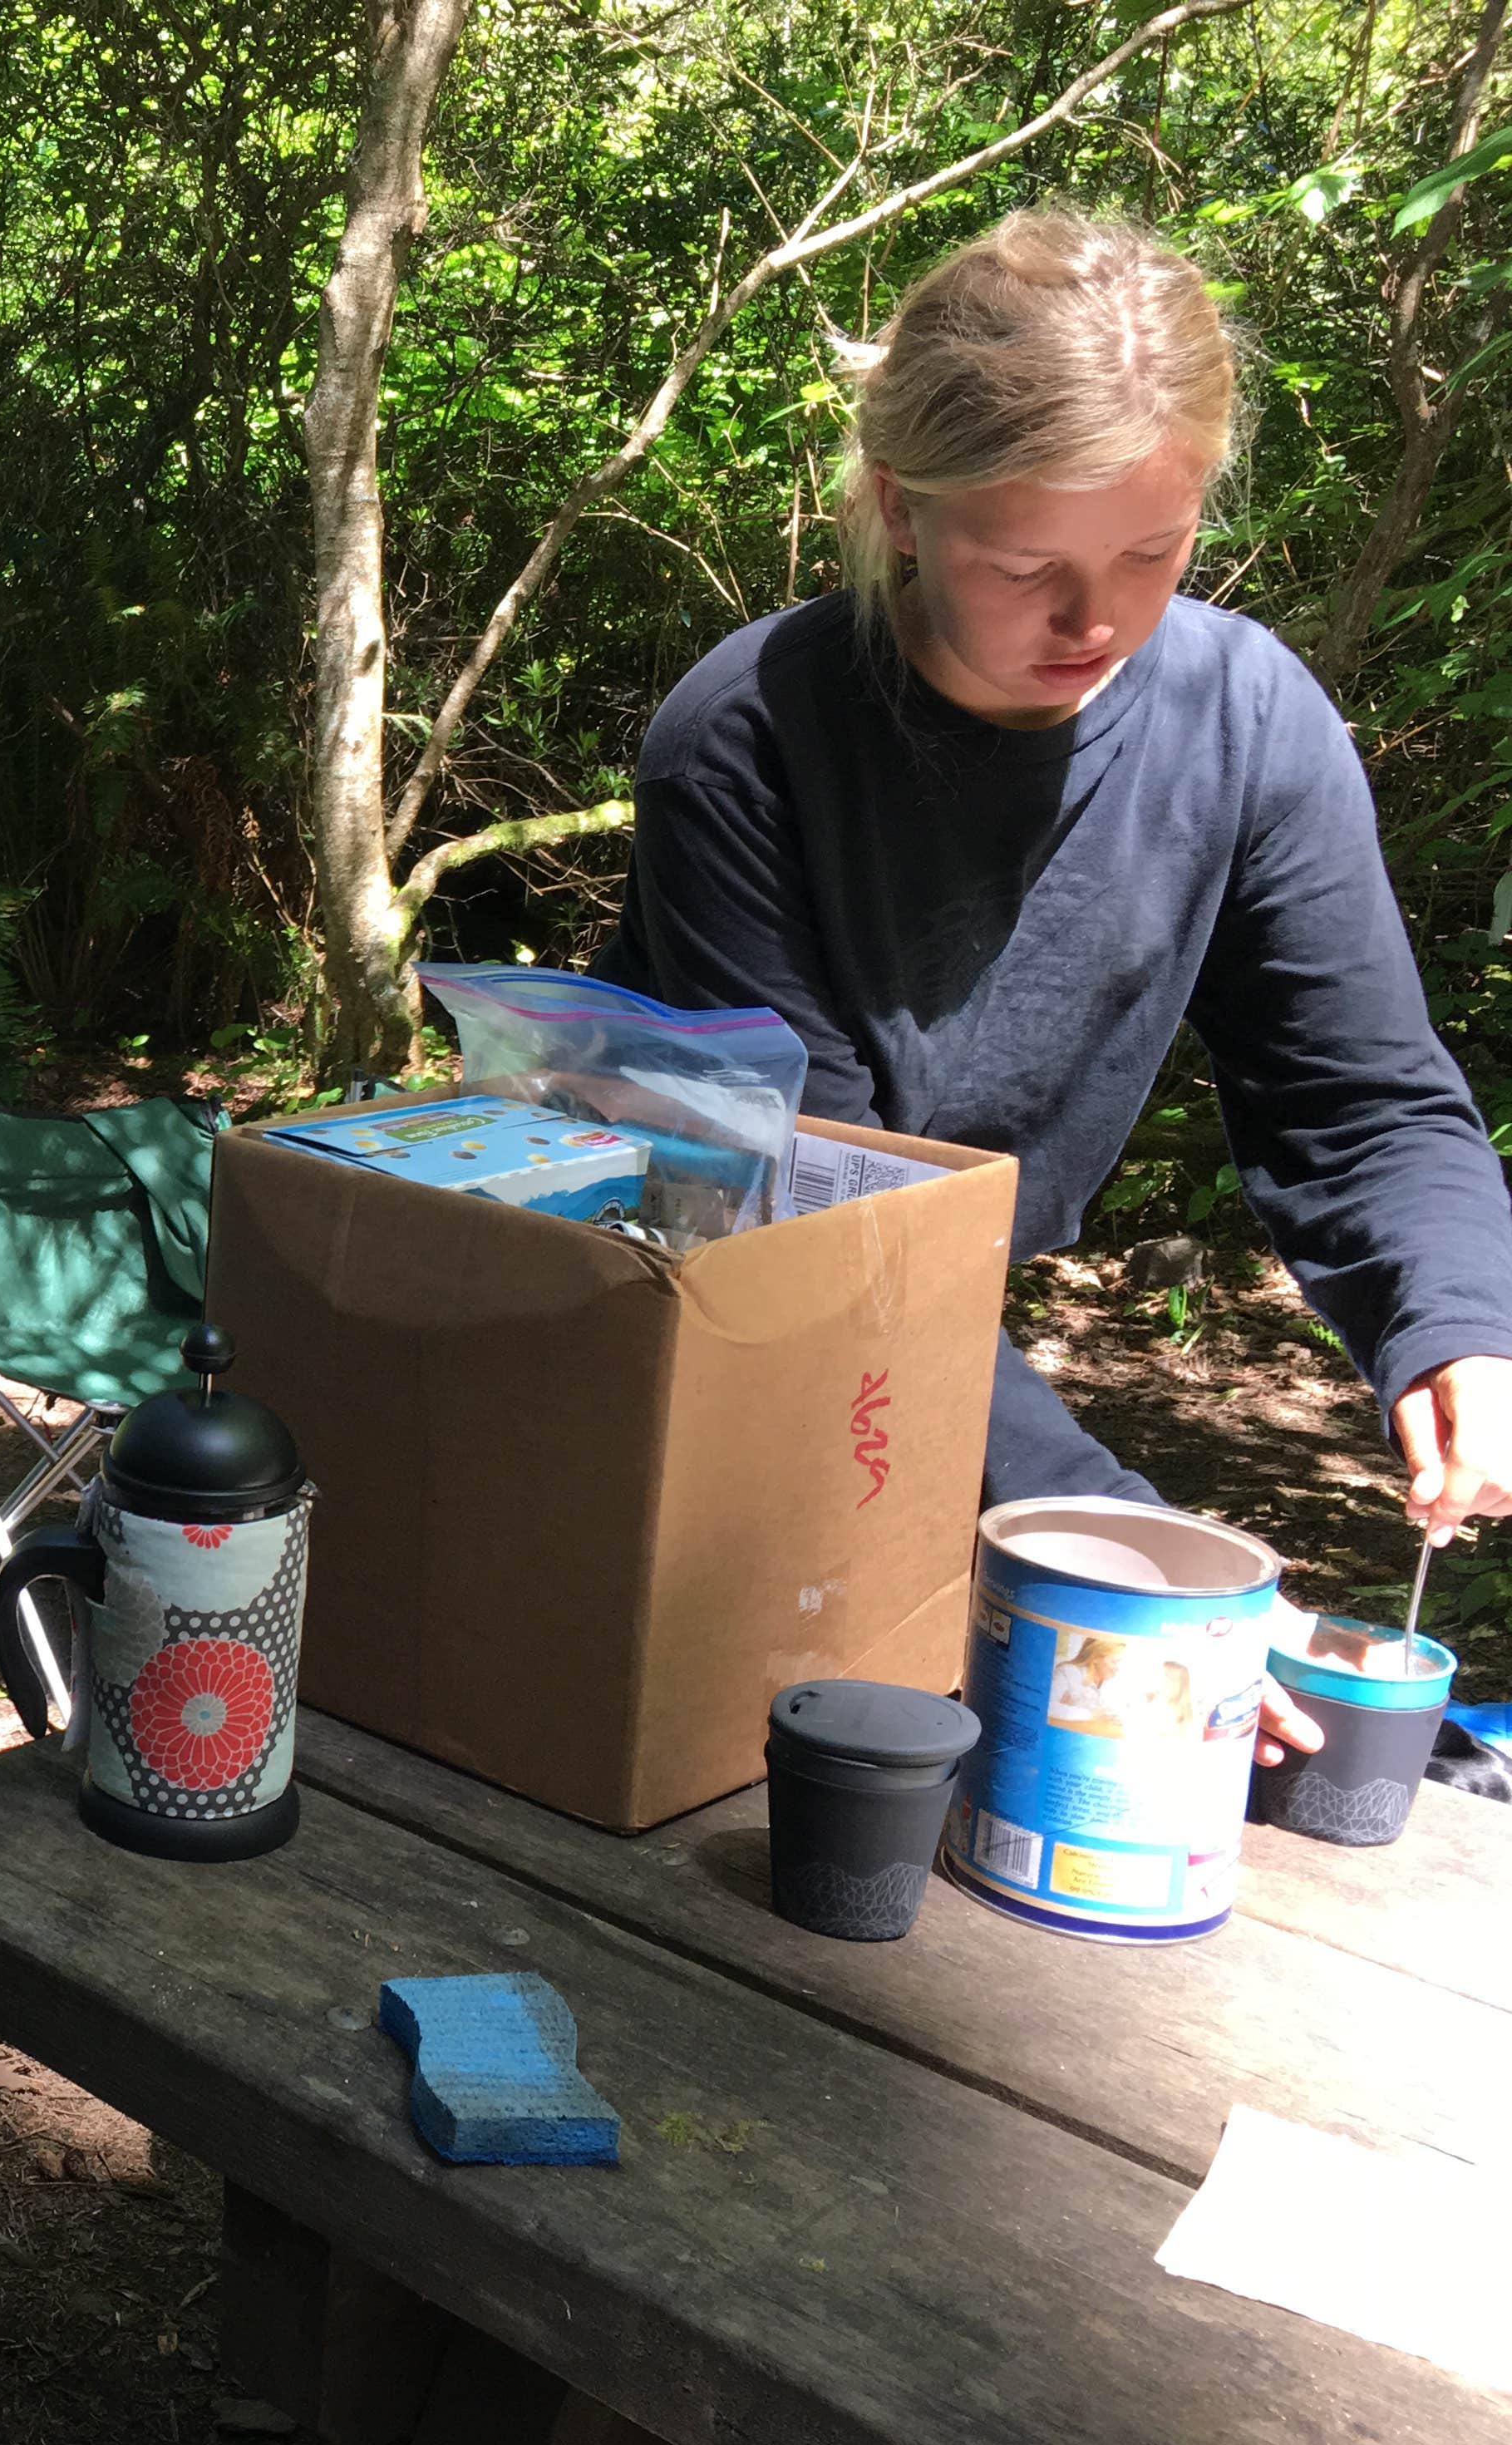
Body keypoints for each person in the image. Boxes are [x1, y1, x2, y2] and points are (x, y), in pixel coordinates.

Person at [600, 208, 1512, 1734]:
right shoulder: (749, 741)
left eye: (1154, 553)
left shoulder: (1248, 724)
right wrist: (1128, 1557)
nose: (1099, 620)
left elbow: (1361, 1103)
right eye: (1029, 566)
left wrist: (1462, 1323)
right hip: (699, 1353)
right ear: (899, 509)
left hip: (922, 1361)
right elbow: (822, 1226)